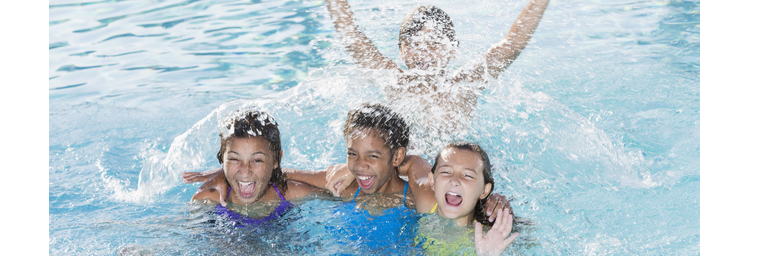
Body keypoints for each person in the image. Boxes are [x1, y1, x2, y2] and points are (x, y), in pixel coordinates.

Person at [183, 103, 513, 219]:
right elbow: (278, 176)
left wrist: (491, 202)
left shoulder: (417, 197)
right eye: (352, 155)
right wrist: (229, 172)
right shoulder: (345, 183)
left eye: (372, 156)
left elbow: (436, 183)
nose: (360, 165)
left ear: (396, 157)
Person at [324, 0, 550, 148]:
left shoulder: (466, 83)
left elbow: (511, 45)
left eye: (434, 42)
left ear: (452, 49)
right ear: (401, 51)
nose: (424, 51)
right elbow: (352, 36)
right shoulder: (394, 82)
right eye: (413, 43)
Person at [191, 109, 321, 226]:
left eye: (257, 160)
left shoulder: (290, 193)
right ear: (222, 159)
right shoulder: (208, 199)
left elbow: (338, 191)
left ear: (276, 159)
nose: (245, 171)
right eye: (234, 159)